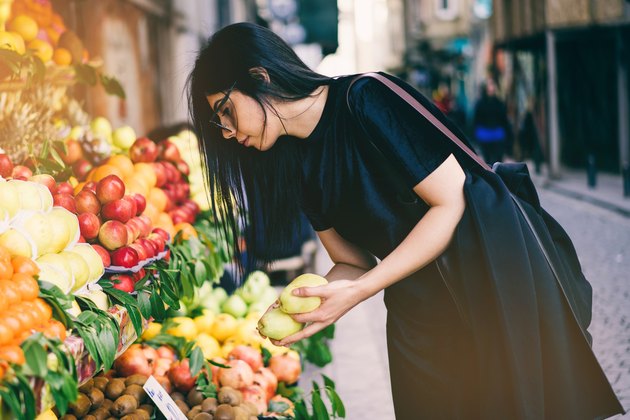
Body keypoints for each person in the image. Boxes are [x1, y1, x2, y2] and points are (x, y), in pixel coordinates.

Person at [187, 23, 624, 419]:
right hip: (417, 317)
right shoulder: (298, 166)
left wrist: (359, 290)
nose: (227, 132)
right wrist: (315, 306)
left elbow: (450, 204)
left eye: (224, 111)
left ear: (260, 78)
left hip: (488, 283)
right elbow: (352, 261)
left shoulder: (366, 97)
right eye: (217, 123)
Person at [472, 79, 513, 165]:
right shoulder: (480, 104)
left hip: (497, 135)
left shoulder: (499, 103)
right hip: (485, 135)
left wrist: (508, 136)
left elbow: (504, 120)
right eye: (489, 86)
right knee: (488, 160)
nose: (491, 88)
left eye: (492, 85)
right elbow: (476, 120)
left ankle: (496, 175)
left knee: (498, 160)